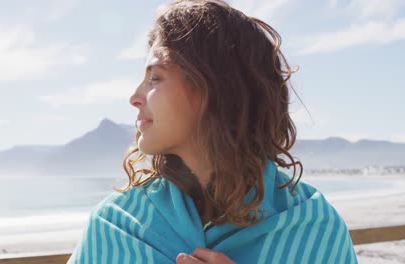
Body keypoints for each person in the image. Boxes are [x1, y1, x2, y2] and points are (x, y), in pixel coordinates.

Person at [68, 0, 358, 263]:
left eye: (155, 77)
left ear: (215, 88)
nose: (134, 96)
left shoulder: (313, 228)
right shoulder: (115, 225)